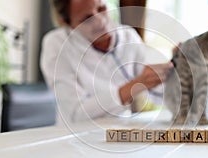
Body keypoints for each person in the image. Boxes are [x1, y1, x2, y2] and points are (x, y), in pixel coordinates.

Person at [40, 0, 173, 126]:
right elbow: (77, 114)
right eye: (87, 19)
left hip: (120, 132)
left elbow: (158, 94)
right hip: (75, 137)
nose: (100, 21)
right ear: (67, 22)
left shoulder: (128, 36)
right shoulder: (56, 44)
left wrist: (175, 69)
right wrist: (133, 87)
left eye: (101, 8)